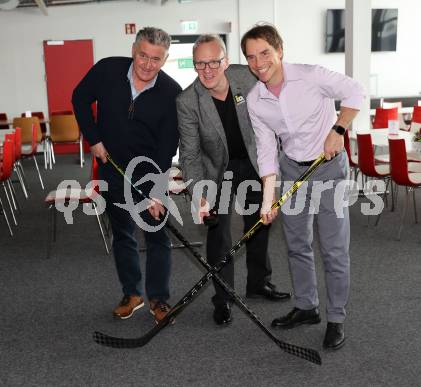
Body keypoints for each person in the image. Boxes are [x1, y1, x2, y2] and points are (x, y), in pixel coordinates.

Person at [241, 24, 365, 349]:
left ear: (279, 49)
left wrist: (338, 129)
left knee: (334, 250)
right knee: (298, 245)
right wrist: (268, 200)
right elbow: (266, 150)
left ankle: (336, 318)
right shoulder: (256, 100)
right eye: (251, 57)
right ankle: (307, 306)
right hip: (292, 173)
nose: (258, 62)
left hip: (327, 171)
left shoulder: (311, 76)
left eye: (264, 53)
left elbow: (356, 91)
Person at [177, 34, 290, 326]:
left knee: (260, 222)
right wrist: (199, 195)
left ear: (225, 61)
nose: (208, 69)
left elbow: (276, 108)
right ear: (194, 65)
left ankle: (258, 283)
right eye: (200, 63)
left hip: (254, 162)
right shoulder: (188, 101)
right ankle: (223, 298)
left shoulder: (248, 77)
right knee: (219, 233)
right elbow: (189, 154)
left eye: (214, 61)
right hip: (216, 169)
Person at [72, 27, 182, 323]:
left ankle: (158, 298)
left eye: (156, 59)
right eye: (143, 55)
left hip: (148, 174)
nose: (148, 64)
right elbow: (79, 98)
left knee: (157, 236)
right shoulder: (108, 69)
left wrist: (157, 190)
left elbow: (167, 146)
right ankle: (132, 294)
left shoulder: (172, 93)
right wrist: (93, 139)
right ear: (134, 50)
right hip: (112, 168)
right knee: (122, 234)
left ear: (165, 59)